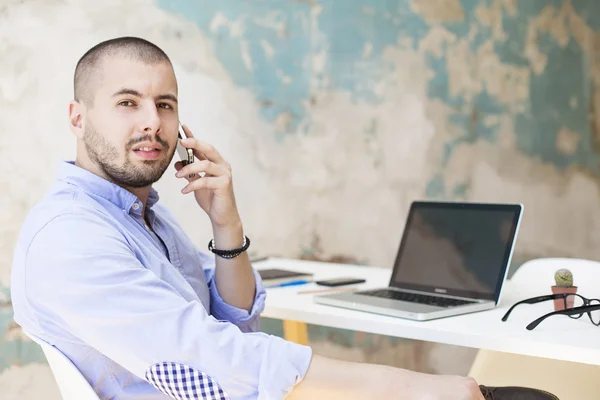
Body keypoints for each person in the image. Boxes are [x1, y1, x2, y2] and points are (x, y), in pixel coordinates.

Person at [10, 37, 556, 400]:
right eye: (127, 103)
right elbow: (211, 361)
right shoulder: (72, 238)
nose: (153, 123)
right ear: (78, 118)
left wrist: (226, 225)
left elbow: (236, 323)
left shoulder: (143, 212)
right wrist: (417, 388)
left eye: (166, 104)